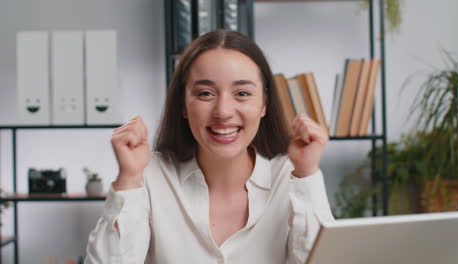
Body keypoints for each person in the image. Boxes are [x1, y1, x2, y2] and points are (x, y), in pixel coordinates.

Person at [85, 30, 334, 264]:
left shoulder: (290, 178)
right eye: (205, 93)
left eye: (243, 93)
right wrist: (128, 179)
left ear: (264, 105)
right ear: (183, 104)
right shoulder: (150, 175)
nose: (223, 112)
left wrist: (307, 175)